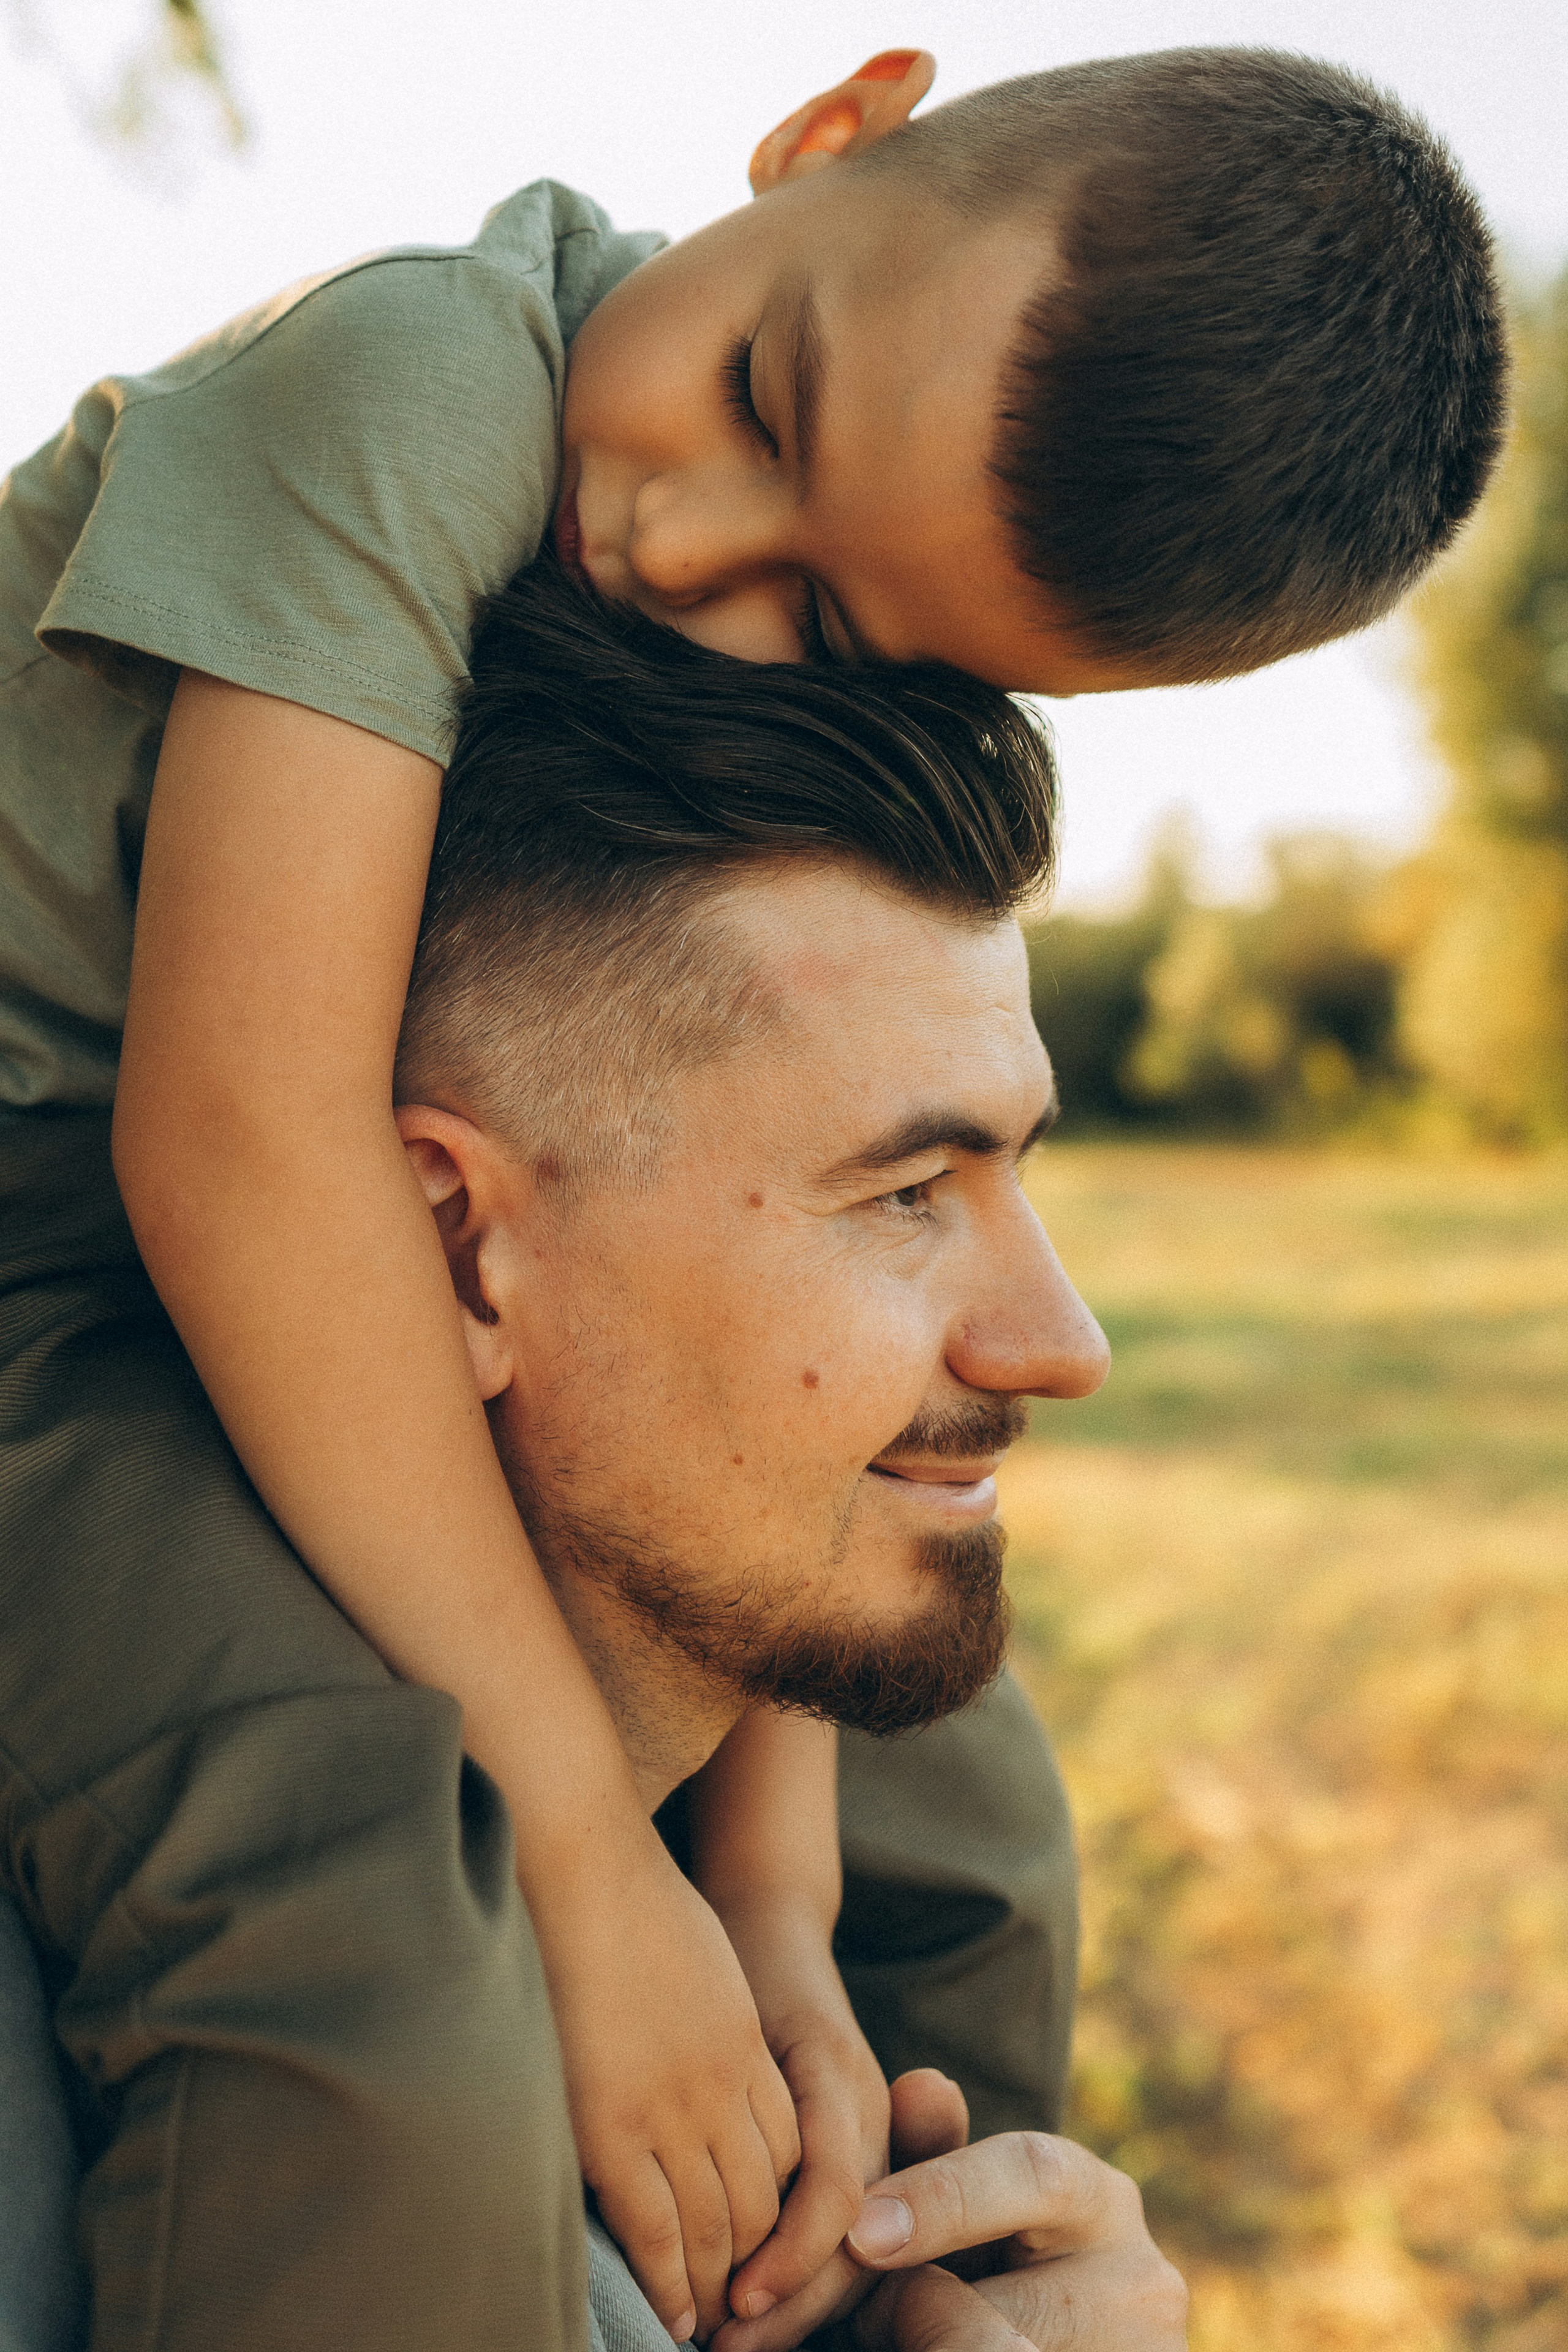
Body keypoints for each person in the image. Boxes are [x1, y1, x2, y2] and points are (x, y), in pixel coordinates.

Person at [0, 37, 1505, 2343]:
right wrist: (605, 1876)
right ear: (834, 134)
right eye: (775, 413)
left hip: (291, 1203)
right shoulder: (416, 387)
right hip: (64, 1258)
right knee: (369, 1903)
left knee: (961, 1819)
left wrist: (777, 1911)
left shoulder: (727, 508)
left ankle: (877, 2291)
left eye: (853, 627)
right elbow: (238, 1146)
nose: (685, 553)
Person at [0, 557, 1190, 2352]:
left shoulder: (864, 1960)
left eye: (1022, 1170)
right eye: (903, 1192)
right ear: (460, 1248)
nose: (1064, 1344)